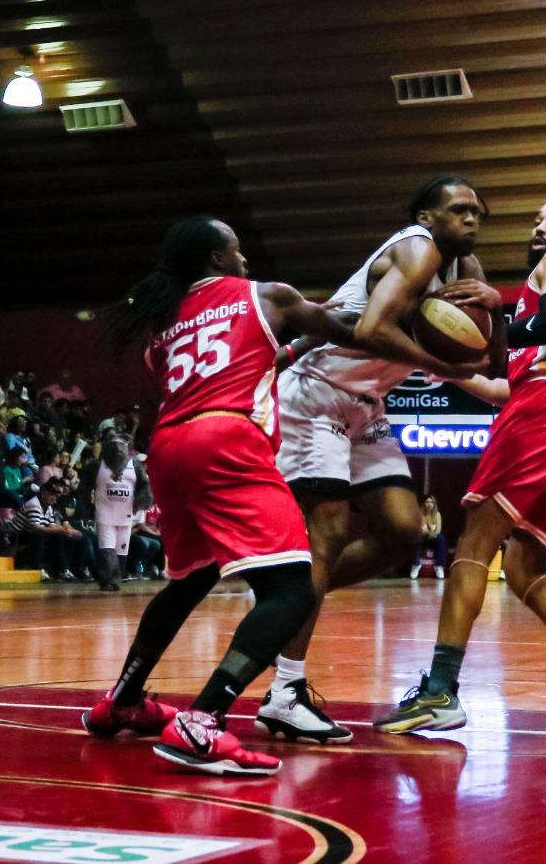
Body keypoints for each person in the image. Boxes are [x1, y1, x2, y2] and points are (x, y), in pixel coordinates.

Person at [82, 215, 477, 775]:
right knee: (292, 591)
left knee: (189, 579)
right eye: (237, 251)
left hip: (169, 445)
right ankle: (205, 720)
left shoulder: (164, 322)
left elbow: (233, 361)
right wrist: (423, 321)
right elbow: (355, 329)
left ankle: (121, 699)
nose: (245, 260)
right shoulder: (267, 296)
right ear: (218, 259)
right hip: (227, 437)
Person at [375, 199, 546, 736]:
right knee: (523, 570)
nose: (542, 227)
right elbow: (500, 388)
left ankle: (441, 690)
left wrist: (492, 321)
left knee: (472, 546)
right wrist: (443, 365)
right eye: (537, 219)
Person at [265, 174, 499, 743]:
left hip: (365, 404)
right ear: (427, 217)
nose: (470, 219)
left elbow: (479, 347)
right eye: (458, 210)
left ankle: (279, 606)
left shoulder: (464, 271)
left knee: (404, 530)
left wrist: (495, 312)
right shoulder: (417, 248)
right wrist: (446, 368)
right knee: (329, 530)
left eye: (477, 212)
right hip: (318, 389)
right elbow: (371, 329)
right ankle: (284, 689)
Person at [83, 434, 148, 591]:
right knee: (107, 549)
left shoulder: (135, 465)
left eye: (120, 447)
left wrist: (140, 502)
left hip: (126, 515)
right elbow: (84, 488)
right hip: (105, 514)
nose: (117, 450)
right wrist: (85, 508)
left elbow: (144, 486)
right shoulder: (97, 465)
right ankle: (107, 580)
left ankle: (114, 578)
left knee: (121, 551)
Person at [409, 496, 447, 580]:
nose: (429, 504)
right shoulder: (420, 514)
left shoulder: (437, 515)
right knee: (416, 538)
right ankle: (416, 565)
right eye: (427, 502)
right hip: (422, 539)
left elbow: (438, 530)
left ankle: (439, 567)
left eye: (431, 502)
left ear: (434, 504)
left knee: (441, 538)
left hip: (433, 539)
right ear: (424, 503)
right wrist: (427, 531)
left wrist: (429, 530)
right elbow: (420, 530)